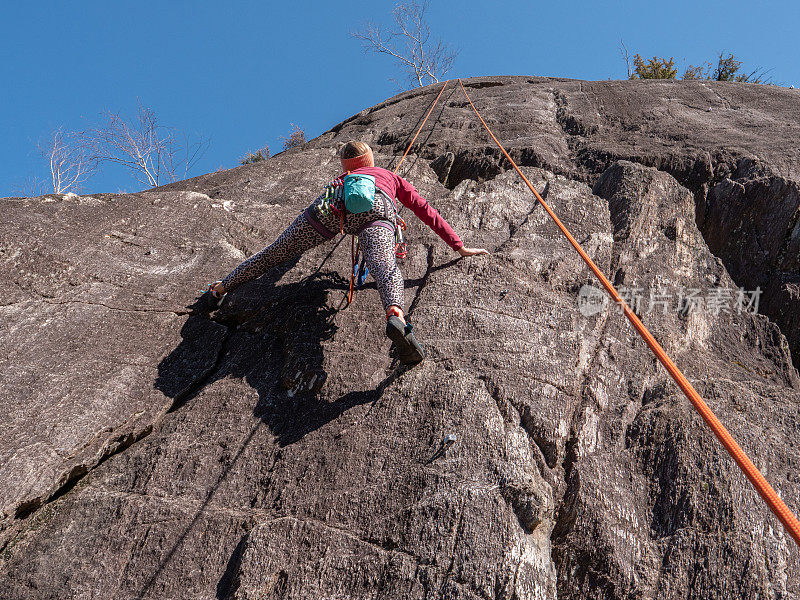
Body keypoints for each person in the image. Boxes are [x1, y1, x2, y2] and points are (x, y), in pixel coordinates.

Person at [206, 141, 489, 364]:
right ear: (370, 161)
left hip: (329, 210)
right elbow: (426, 211)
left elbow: (306, 228)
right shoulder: (390, 176)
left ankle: (221, 287)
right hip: (376, 210)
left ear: (346, 165)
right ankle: (395, 315)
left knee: (275, 252)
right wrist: (458, 246)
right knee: (385, 268)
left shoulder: (344, 178)